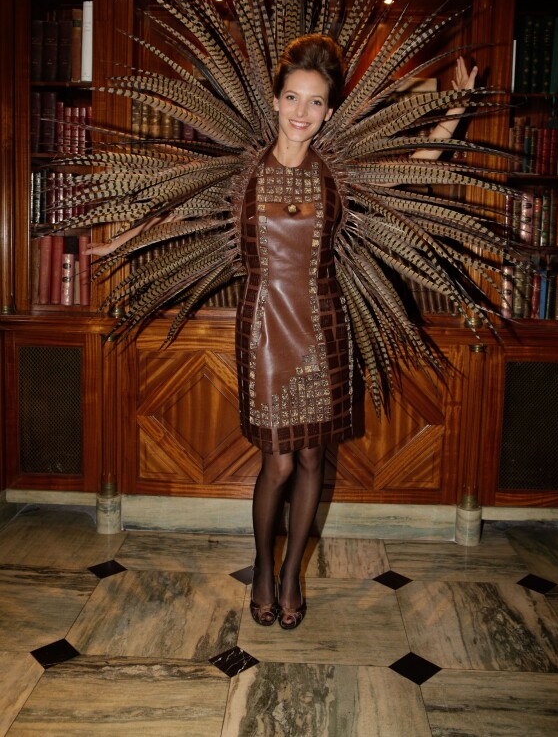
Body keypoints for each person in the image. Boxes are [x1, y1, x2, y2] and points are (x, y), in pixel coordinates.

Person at [87, 35, 477, 631]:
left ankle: (293, 570)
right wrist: (119, 242)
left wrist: (454, 111)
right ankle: (263, 568)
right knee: (277, 465)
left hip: (322, 327)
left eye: (315, 102)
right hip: (265, 329)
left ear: (328, 111)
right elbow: (174, 206)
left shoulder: (337, 176)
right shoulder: (241, 174)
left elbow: (410, 169)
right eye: (292, 97)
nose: (301, 112)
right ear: (274, 100)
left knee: (314, 458)